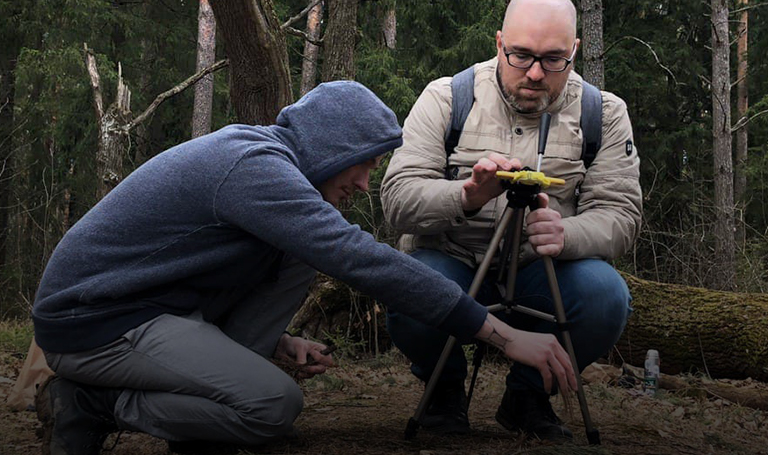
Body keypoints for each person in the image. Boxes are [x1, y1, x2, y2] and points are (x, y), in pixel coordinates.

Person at [32, 80, 578, 455]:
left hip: (150, 308)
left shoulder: (271, 167)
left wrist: (277, 341)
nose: (365, 182)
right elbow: (363, 261)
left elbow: (200, 271)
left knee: (297, 256)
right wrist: (502, 336)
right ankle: (91, 402)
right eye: (364, 162)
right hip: (94, 324)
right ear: (332, 145)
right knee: (274, 405)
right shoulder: (255, 167)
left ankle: (210, 408)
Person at [381, 0, 642, 442]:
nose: (536, 73)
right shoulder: (447, 98)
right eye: (520, 55)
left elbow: (621, 214)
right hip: (453, 263)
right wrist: (466, 197)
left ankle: (528, 396)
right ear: (498, 42)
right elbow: (397, 200)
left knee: (606, 296)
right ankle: (443, 391)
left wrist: (567, 233)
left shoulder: (604, 112)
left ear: (575, 51)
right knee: (409, 286)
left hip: (542, 273)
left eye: (554, 59)